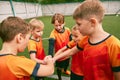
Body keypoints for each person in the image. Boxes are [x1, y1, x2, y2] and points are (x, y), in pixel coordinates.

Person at [53, 0, 120, 80]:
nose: (77, 27)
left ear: (92, 22)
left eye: (79, 24)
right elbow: (71, 51)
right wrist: (53, 59)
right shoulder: (85, 40)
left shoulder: (114, 45)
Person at [48, 13, 71, 80]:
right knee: (59, 68)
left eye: (60, 25)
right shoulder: (53, 34)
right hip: (59, 56)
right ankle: (59, 77)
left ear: (64, 23)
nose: (58, 27)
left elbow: (72, 40)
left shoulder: (67, 30)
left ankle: (65, 70)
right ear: (53, 24)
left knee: (67, 64)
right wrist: (50, 56)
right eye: (56, 25)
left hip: (67, 53)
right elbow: (51, 46)